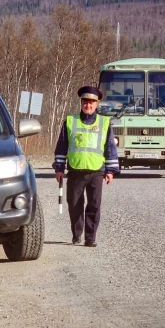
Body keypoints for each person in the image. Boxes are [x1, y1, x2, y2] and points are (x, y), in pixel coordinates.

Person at [53, 86, 120, 248]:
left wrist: (110, 170)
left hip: (96, 171)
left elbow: (110, 147)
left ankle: (90, 238)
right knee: (74, 204)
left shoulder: (105, 123)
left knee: (94, 205)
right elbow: (62, 146)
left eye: (91, 102)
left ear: (97, 104)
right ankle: (77, 235)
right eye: (85, 102)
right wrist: (59, 168)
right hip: (75, 171)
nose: (88, 105)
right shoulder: (70, 121)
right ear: (81, 102)